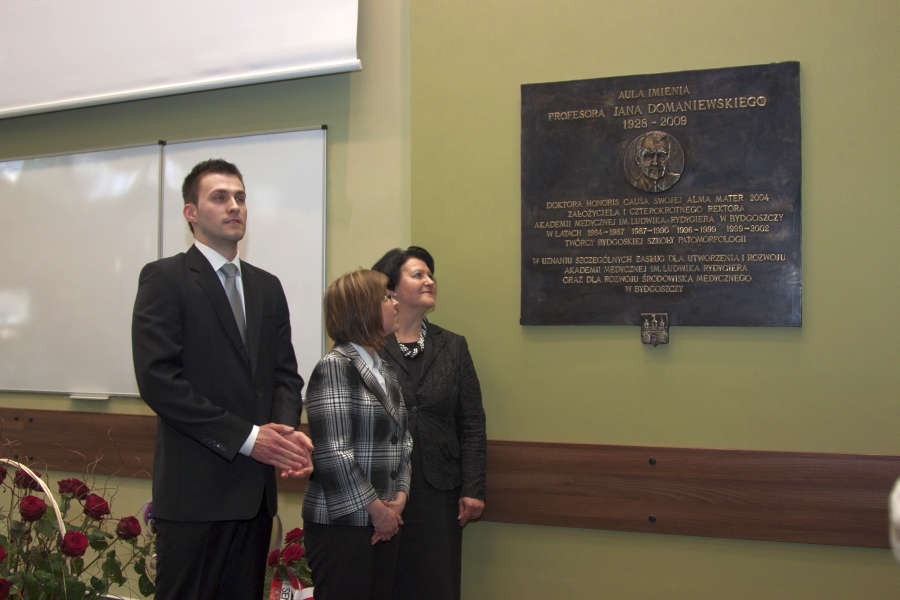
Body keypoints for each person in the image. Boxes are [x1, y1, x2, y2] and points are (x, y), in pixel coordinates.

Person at [131, 158, 313, 599]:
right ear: (191, 212)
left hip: (255, 498)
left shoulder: (267, 286)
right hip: (195, 495)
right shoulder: (165, 278)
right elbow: (158, 381)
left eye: (240, 198)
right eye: (220, 197)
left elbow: (285, 375)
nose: (235, 206)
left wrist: (283, 434)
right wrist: (249, 439)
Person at [372, 246, 487, 600]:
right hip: (381, 489)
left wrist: (473, 487)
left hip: (439, 488)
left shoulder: (453, 346)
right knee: (384, 582)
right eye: (418, 274)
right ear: (391, 288)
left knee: (437, 583)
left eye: (431, 275)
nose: (429, 281)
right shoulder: (368, 345)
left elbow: (471, 422)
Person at [302, 269, 412, 600]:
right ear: (362, 309)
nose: (396, 304)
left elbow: (404, 443)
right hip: (343, 526)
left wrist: (400, 497)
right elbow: (334, 454)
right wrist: (379, 512)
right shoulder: (335, 366)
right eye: (387, 297)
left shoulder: (386, 371)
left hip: (385, 522)